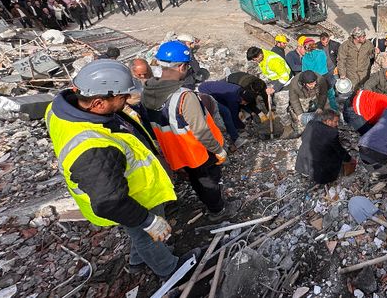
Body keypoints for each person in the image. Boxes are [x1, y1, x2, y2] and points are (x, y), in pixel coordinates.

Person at [46, 59, 198, 278]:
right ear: (98, 103)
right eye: (122, 97)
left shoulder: (61, 107)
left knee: (138, 235)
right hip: (131, 199)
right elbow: (111, 203)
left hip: (127, 188)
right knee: (145, 234)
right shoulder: (93, 149)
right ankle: (171, 270)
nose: (127, 101)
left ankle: (138, 262)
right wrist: (148, 220)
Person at [143, 41, 240, 221]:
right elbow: (201, 131)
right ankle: (218, 211)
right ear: (181, 66)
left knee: (197, 180)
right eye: (187, 66)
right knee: (208, 181)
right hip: (196, 150)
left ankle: (211, 203)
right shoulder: (184, 96)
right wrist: (218, 150)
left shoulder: (148, 90)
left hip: (175, 151)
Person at [295, 109, 354, 185]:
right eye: (335, 122)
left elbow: (303, 138)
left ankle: (307, 174)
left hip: (303, 161)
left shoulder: (311, 123)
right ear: (328, 121)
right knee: (336, 157)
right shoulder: (332, 133)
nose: (336, 124)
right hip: (318, 168)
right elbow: (339, 150)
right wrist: (349, 159)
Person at [197, 80, 253, 145]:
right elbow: (233, 116)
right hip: (205, 92)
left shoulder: (239, 90)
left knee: (225, 108)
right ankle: (235, 139)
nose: (245, 104)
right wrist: (243, 126)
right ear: (242, 99)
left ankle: (232, 130)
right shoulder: (233, 98)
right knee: (226, 112)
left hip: (210, 88)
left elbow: (238, 105)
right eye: (245, 102)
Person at [285, 70, 330, 137]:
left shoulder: (320, 79)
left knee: (327, 110)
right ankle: (301, 131)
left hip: (316, 94)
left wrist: (320, 107)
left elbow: (323, 94)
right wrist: (300, 114)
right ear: (304, 83)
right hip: (302, 97)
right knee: (298, 117)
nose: (313, 85)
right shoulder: (294, 84)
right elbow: (294, 100)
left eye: (314, 83)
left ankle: (328, 128)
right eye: (310, 84)